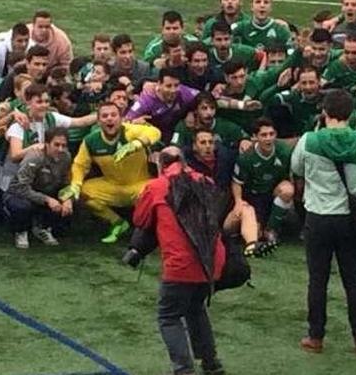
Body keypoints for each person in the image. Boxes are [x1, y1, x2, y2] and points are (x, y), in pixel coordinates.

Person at [291, 89, 356, 355]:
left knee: (317, 279)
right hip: (350, 217)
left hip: (319, 216)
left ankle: (316, 337)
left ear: (325, 112)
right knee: (354, 280)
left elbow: (297, 169)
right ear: (350, 114)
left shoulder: (309, 140)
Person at [133, 147, 226, 375]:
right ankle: (211, 362)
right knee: (196, 308)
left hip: (180, 264)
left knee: (169, 316)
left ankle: (184, 369)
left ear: (160, 165)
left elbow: (140, 219)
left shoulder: (157, 187)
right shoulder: (205, 181)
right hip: (211, 261)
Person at [68, 102, 161, 244]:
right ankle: (117, 223)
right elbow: (80, 165)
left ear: (121, 118)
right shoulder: (91, 141)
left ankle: (149, 232)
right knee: (83, 192)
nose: (109, 119)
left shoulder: (130, 131)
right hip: (113, 186)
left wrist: (137, 144)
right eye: (104, 116)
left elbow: (155, 132)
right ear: (98, 121)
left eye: (113, 115)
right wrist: (75, 183)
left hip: (139, 186)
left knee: (158, 190)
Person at [5, 127, 73, 249]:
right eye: (56, 145)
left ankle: (43, 228)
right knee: (22, 206)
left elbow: (66, 183)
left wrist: (68, 198)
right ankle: (21, 231)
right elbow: (21, 187)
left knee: (69, 206)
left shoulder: (66, 157)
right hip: (21, 193)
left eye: (64, 145)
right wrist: (47, 199)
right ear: (47, 144)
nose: (60, 149)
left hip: (47, 191)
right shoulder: (35, 157)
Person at [231, 118, 294, 245]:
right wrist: (238, 201)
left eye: (271, 134)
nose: (268, 138)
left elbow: (291, 176)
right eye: (264, 135)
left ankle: (271, 230)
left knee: (288, 190)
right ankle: (256, 229)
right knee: (255, 235)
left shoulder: (284, 151)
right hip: (254, 196)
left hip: (272, 192)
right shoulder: (246, 157)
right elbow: (237, 182)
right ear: (254, 137)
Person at [126, 68, 199, 144]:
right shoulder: (146, 101)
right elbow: (125, 121)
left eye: (176, 85)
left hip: (174, 132)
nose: (173, 90)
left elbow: (203, 97)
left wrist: (192, 111)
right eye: (168, 86)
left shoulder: (182, 91)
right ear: (159, 84)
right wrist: (134, 122)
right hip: (154, 139)